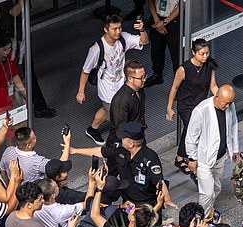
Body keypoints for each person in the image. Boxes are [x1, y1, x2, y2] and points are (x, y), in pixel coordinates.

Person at [77, 14, 148, 146]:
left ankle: (92, 129)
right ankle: (125, 142)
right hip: (108, 90)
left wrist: (142, 30)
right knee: (118, 119)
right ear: (105, 29)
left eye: (120, 28)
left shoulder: (123, 39)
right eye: (114, 29)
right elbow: (85, 71)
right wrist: (81, 91)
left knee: (106, 110)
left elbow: (144, 41)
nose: (118, 31)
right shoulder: (97, 49)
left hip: (122, 85)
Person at [70, 121, 177, 208]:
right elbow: (100, 151)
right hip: (128, 202)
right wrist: (75, 151)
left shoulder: (150, 158)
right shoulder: (121, 150)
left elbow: (159, 182)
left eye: (123, 138)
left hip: (146, 204)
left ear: (131, 144)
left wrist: (167, 199)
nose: (121, 140)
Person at [166, 38, 218, 177]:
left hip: (201, 105)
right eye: (202, 53)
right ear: (193, 52)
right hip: (186, 105)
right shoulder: (184, 69)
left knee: (193, 130)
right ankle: (186, 158)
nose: (205, 56)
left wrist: (221, 98)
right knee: (192, 128)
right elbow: (174, 88)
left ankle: (183, 156)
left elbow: (213, 86)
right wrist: (169, 108)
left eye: (207, 53)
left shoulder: (209, 66)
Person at [0, 0, 56, 118]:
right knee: (26, 71)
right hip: (16, 38)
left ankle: (37, 105)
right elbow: (11, 13)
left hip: (18, 36)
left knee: (25, 71)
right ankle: (37, 106)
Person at [89, 168, 167, 227]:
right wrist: (158, 205)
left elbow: (94, 215)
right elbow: (146, 217)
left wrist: (99, 189)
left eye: (133, 210)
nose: (132, 209)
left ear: (132, 218)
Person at [186, 85, 240, 215]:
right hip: (204, 159)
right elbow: (191, 137)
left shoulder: (230, 106)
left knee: (216, 187)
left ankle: (209, 209)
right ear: (216, 97)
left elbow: (233, 125)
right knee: (207, 192)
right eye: (225, 103)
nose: (228, 106)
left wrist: (235, 149)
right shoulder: (201, 110)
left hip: (220, 156)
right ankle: (202, 217)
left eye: (230, 103)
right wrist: (192, 158)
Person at [0, 126, 71, 184]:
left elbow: (3, 171)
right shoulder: (37, 162)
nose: (36, 137)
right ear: (28, 146)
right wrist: (67, 142)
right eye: (34, 138)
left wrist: (9, 188)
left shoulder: (8, 151)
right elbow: (60, 168)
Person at [108, 60, 146, 146]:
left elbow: (140, 114)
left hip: (137, 136)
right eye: (141, 77)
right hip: (128, 143)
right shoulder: (121, 100)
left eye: (144, 76)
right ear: (130, 79)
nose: (144, 80)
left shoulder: (140, 90)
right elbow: (121, 128)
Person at [144, 0, 180, 88]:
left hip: (173, 21)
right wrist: (157, 21)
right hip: (157, 17)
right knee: (156, 49)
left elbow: (182, 6)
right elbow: (150, 1)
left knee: (176, 53)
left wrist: (164, 22)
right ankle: (157, 75)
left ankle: (179, 83)